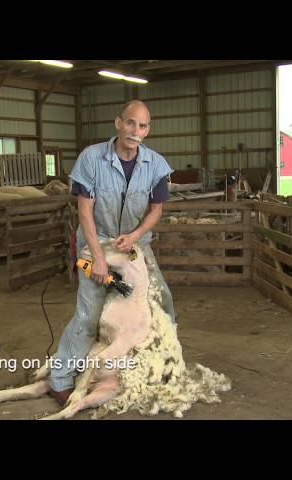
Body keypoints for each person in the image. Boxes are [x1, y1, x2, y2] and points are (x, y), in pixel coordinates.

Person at [48, 100, 176, 405]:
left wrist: (135, 236)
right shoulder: (91, 159)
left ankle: (162, 364)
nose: (135, 131)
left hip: (134, 244)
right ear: (118, 123)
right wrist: (99, 257)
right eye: (130, 123)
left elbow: (156, 210)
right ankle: (61, 378)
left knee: (163, 303)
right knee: (89, 313)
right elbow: (85, 212)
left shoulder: (156, 165)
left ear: (148, 130)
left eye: (142, 126)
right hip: (97, 240)